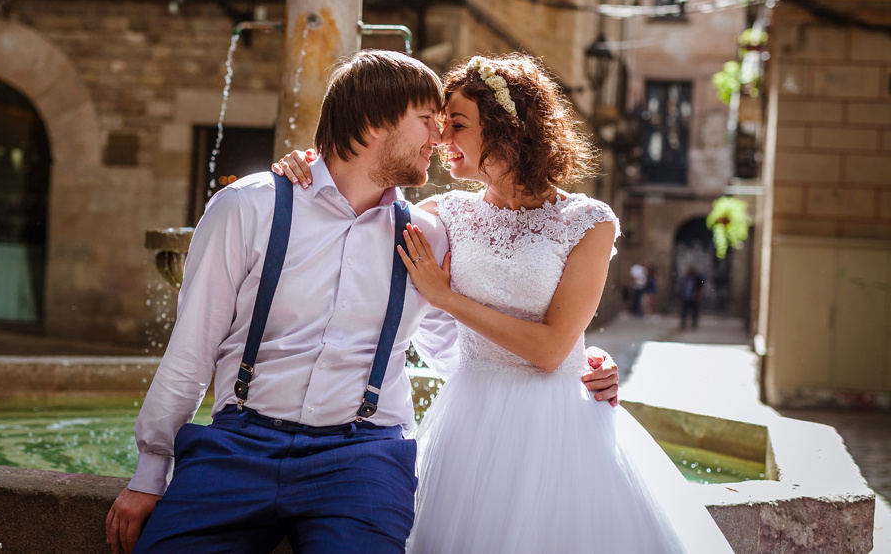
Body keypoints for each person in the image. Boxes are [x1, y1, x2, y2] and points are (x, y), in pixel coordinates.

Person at [105, 50, 620, 554]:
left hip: (362, 457)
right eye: (427, 120)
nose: (439, 138)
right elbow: (190, 351)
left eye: (449, 124)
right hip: (240, 444)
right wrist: (151, 473)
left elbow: (457, 349)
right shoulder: (250, 206)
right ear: (373, 125)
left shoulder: (431, 234)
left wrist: (578, 364)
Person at [276, 53, 733, 553]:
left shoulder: (588, 221)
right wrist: (307, 163)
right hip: (470, 419)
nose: (442, 139)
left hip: (562, 424)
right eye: (440, 124)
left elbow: (552, 349)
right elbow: (357, 190)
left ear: (507, 129)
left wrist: (447, 298)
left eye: (457, 124)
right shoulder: (442, 214)